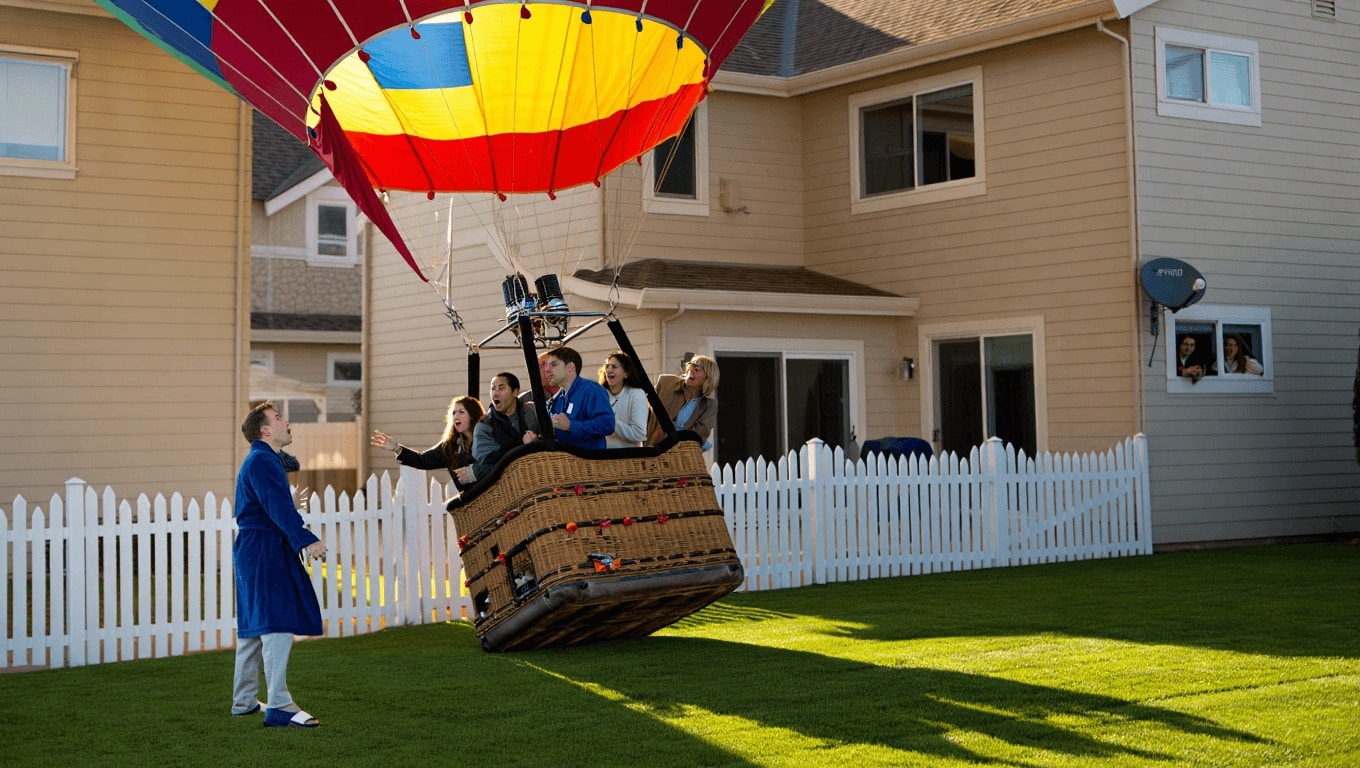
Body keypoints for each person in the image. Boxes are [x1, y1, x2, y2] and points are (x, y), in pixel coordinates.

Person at [231, 401, 325, 728]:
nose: (286, 422)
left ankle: (244, 701)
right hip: (263, 549)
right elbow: (277, 509)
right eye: (278, 418)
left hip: (256, 549)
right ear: (265, 430)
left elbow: (275, 501)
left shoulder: (265, 459)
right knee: (275, 622)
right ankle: (279, 704)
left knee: (254, 625)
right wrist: (307, 539)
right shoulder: (261, 460)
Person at [371, 395, 485, 491]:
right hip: (471, 503)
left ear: (473, 415)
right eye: (454, 413)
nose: (456, 416)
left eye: (461, 412)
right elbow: (423, 460)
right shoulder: (450, 446)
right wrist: (396, 448)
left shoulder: (487, 439)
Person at [466, 372, 540, 483]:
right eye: (493, 389)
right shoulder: (484, 426)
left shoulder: (532, 411)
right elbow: (487, 466)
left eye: (501, 388)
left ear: (515, 392)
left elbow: (552, 438)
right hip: (505, 486)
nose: (495, 394)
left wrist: (537, 441)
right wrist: (528, 447)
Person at [539, 346, 615, 451]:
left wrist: (571, 426)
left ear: (570, 367)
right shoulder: (556, 400)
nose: (547, 370)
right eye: (547, 365)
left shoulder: (591, 390)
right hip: (565, 464)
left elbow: (607, 424)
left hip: (591, 464)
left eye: (554, 364)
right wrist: (537, 440)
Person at [649, 354, 719, 450]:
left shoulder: (710, 404)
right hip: (654, 446)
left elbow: (701, 434)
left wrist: (675, 439)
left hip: (681, 452)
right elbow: (648, 412)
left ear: (708, 378)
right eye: (691, 365)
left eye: (697, 369)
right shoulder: (666, 383)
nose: (692, 370)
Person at [598, 351, 649, 449]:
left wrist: (611, 422)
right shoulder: (600, 394)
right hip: (599, 457)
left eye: (614, 366)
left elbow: (639, 434)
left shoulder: (636, 395)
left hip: (626, 459)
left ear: (626, 373)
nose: (609, 370)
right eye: (607, 366)